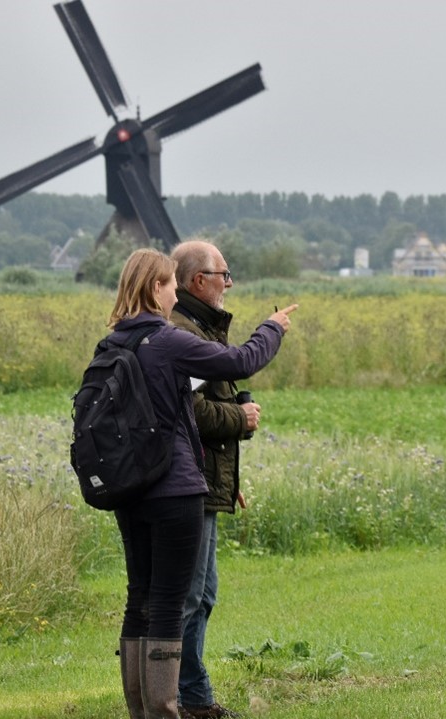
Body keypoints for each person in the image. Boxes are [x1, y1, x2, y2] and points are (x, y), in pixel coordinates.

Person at [108, 248, 296, 719]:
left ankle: (146, 710)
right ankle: (177, 706)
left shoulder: (113, 342)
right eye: (169, 283)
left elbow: (170, 415)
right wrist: (272, 329)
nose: (173, 291)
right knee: (177, 601)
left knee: (143, 599)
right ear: (158, 288)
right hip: (173, 490)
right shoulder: (170, 339)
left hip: (130, 485)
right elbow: (238, 363)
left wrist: (221, 476)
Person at [168, 240, 257, 719]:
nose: (227, 283)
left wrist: (230, 476)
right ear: (198, 280)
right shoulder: (185, 332)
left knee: (202, 594)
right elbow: (193, 412)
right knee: (189, 596)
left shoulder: (199, 327)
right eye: (224, 274)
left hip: (203, 477)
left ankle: (188, 693)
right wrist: (240, 417)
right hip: (188, 482)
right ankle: (189, 697)